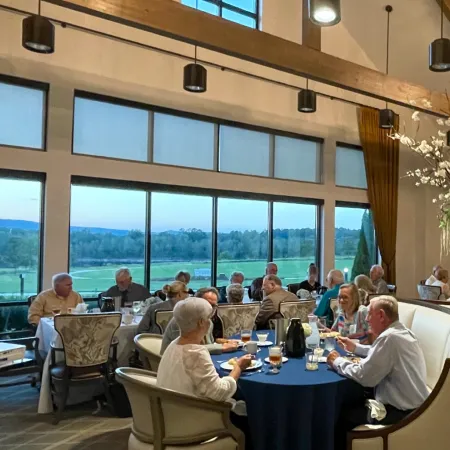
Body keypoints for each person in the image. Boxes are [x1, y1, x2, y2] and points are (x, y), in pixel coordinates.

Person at [327, 296, 429, 449]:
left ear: (381, 315)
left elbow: (365, 377)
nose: (367, 319)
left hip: (402, 413)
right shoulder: (401, 332)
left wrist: (336, 361)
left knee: (340, 416)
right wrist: (355, 348)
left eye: (369, 314)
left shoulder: (390, 338)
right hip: (417, 407)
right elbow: (380, 354)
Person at [157, 297, 252, 444]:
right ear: (201, 322)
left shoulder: (174, 344)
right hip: (192, 420)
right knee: (248, 413)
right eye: (209, 317)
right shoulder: (195, 352)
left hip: (170, 413)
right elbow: (220, 392)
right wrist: (238, 367)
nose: (210, 321)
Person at [161, 287, 236, 355]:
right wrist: (221, 347)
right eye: (207, 303)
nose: (210, 308)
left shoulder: (208, 322)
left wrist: (226, 342)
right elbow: (189, 349)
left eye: (214, 306)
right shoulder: (182, 320)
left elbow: (210, 344)